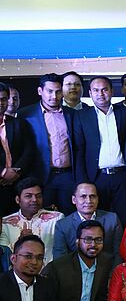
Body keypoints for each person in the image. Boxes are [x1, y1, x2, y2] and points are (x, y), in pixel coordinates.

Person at [73, 76, 126, 225]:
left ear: (112, 91)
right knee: (97, 220)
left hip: (122, 175)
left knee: (123, 219)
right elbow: (79, 151)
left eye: (104, 89)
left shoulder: (125, 113)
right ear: (90, 93)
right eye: (96, 90)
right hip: (96, 177)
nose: (101, 94)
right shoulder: (82, 116)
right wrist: (82, 182)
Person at [19, 73, 77, 214]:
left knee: (68, 216)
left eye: (58, 92)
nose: (54, 96)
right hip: (40, 176)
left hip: (68, 176)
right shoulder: (26, 115)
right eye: (49, 91)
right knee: (40, 217)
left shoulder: (72, 114)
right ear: (40, 91)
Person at [52, 182, 123, 262]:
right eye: (83, 196)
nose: (89, 201)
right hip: (74, 272)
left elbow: (118, 254)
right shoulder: (62, 225)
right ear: (74, 199)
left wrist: (112, 274)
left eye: (92, 196)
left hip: (107, 271)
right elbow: (60, 259)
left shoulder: (112, 220)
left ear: (98, 199)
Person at [0, 177, 63, 265]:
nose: (34, 200)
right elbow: (4, 257)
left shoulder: (56, 218)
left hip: (50, 273)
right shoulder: (5, 223)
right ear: (18, 200)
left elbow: (61, 251)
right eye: (28, 196)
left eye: (38, 196)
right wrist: (20, 242)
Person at [0, 82, 34, 215]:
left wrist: (15, 173)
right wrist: (3, 172)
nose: (1, 103)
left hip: (17, 183)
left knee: (15, 225)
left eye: (3, 99)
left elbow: (29, 151)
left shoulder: (18, 123)